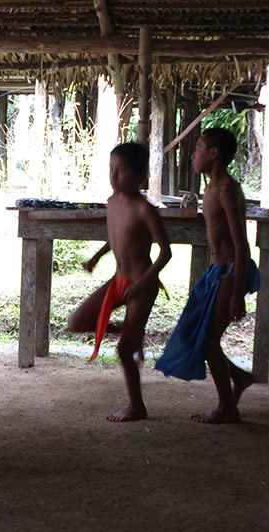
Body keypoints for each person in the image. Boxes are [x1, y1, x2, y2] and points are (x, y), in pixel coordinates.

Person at [155, 128, 259, 423]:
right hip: (216, 272)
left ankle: (227, 406)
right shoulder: (210, 189)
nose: (193, 154)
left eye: (198, 147)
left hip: (230, 272)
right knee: (195, 335)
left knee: (209, 340)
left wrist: (237, 291)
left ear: (213, 154)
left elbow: (241, 244)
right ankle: (238, 377)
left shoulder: (226, 189)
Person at [69, 142, 171, 422]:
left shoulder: (144, 209)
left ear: (139, 176)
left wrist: (143, 283)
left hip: (142, 283)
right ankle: (132, 334)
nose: (114, 176)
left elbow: (166, 252)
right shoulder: (112, 203)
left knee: (124, 351)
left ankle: (136, 406)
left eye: (121, 170)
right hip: (118, 280)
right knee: (76, 322)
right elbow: (117, 236)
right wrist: (97, 257)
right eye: (111, 169)